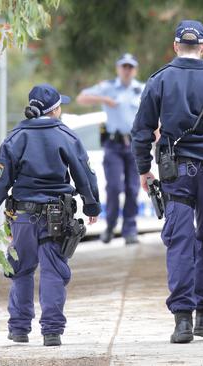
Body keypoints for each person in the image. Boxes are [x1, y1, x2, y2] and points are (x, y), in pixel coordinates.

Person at [131, 20, 203, 344]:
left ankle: (182, 321)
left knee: (180, 241)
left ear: (175, 46)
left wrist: (144, 169)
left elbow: (141, 131)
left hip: (174, 173)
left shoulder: (160, 80)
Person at [0, 84, 101, 346]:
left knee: (21, 270)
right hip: (57, 216)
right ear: (54, 110)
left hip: (22, 217)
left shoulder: (15, 137)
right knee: (53, 271)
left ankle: (19, 328)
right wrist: (91, 205)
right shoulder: (66, 135)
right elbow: (84, 173)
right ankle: (51, 331)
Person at [76, 53, 144, 245]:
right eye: (124, 66)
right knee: (114, 187)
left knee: (133, 188)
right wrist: (103, 99)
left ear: (135, 70)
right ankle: (111, 226)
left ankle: (130, 229)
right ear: (118, 68)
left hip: (135, 145)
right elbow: (82, 98)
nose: (127, 70)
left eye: (131, 67)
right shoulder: (108, 87)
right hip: (113, 145)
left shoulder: (141, 89)